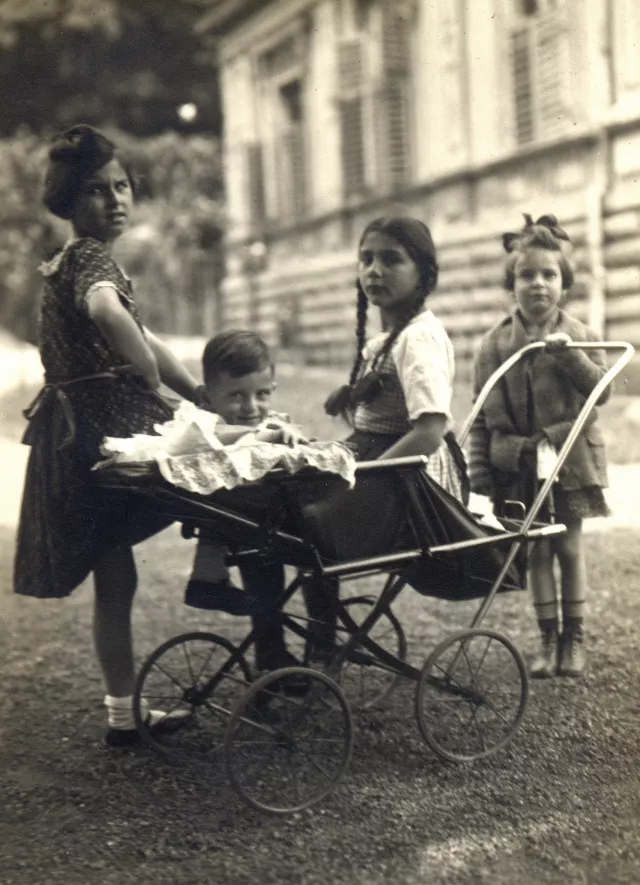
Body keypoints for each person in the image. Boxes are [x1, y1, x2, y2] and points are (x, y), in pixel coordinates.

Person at [13, 124, 210, 746]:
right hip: (103, 424)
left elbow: (141, 331)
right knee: (220, 472)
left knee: (115, 573)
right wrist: (152, 378)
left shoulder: (70, 259)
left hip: (75, 433)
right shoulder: (91, 258)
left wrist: (195, 388)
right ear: (71, 202)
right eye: (98, 191)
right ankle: (216, 572)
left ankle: (124, 716)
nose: (116, 200)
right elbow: (107, 312)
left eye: (122, 186)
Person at [309, 216, 467, 658]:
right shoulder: (386, 340)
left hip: (413, 478)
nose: (374, 270)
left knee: (312, 518)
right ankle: (310, 640)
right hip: (382, 456)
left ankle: (320, 646)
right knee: (291, 490)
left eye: (391, 260)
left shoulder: (419, 340)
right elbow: (375, 418)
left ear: (424, 275)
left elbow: (431, 430)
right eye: (366, 259)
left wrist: (367, 475)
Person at [468, 214, 611, 679]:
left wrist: (567, 353)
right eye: (526, 275)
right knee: (536, 552)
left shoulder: (583, 335)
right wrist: (482, 479)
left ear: (564, 283)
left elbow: (602, 391)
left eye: (549, 275)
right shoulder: (493, 344)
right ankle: (548, 640)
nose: (538, 284)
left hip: (568, 459)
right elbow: (482, 418)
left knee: (568, 545)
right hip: (521, 463)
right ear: (511, 283)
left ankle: (575, 640)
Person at [182, 330, 310, 674]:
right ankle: (287, 654)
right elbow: (236, 439)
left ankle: (292, 653)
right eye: (237, 396)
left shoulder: (264, 420)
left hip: (262, 523)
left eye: (262, 394)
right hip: (249, 524)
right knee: (289, 572)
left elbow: (275, 426)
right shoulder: (207, 426)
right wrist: (274, 435)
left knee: (273, 585)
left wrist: (290, 432)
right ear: (209, 397)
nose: (251, 407)